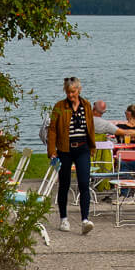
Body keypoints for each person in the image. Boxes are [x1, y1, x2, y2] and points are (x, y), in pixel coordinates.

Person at [46, 77, 95, 233]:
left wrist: (92, 146)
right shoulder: (59, 106)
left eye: (73, 92)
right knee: (64, 184)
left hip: (83, 148)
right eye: (68, 92)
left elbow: (91, 127)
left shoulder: (86, 105)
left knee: (83, 183)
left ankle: (85, 219)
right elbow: (52, 129)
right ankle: (64, 219)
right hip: (65, 149)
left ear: (79, 90)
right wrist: (51, 150)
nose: (71, 95)